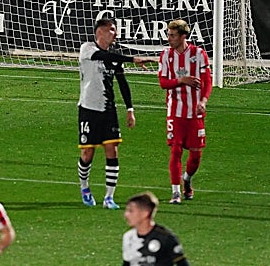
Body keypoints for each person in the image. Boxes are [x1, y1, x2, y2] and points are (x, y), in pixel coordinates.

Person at [78, 15, 148, 209]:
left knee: (112, 150)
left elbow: (122, 83)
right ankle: (84, 187)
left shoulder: (115, 56)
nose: (115, 34)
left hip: (109, 109)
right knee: (87, 153)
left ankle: (109, 197)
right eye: (112, 29)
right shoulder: (87, 49)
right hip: (89, 108)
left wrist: (130, 109)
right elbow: (104, 57)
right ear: (100, 31)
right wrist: (133, 59)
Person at [158, 19, 211, 205]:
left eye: (172, 35)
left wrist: (203, 101)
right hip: (175, 111)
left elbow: (207, 81)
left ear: (183, 36)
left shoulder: (199, 54)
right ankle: (175, 192)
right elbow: (163, 83)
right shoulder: (166, 55)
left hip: (195, 112)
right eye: (168, 35)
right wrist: (181, 80)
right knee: (176, 150)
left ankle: (187, 179)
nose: (169, 38)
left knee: (195, 156)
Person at [122, 191, 190, 266]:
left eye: (131, 211)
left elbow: (182, 263)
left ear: (145, 213)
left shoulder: (166, 238)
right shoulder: (128, 237)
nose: (126, 214)